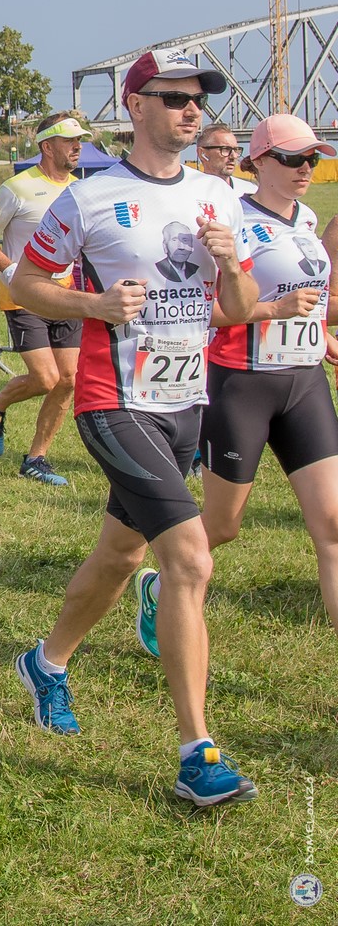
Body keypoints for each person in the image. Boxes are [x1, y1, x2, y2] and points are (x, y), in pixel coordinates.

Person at [8, 47, 259, 807]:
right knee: (188, 558)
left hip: (184, 404)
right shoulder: (88, 198)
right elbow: (25, 282)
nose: (191, 110)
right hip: (112, 402)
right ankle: (197, 753)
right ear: (136, 105)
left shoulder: (219, 195)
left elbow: (240, 311)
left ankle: (46, 663)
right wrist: (93, 306)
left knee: (121, 555)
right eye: (174, 97)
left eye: (198, 99)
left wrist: (230, 265)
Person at [147, 115, 338, 650]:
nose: (306, 169)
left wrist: (321, 335)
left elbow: (313, 301)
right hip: (242, 384)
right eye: (293, 159)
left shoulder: (307, 218)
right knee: (224, 525)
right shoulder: (231, 220)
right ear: (259, 162)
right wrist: (273, 310)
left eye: (312, 159)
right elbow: (201, 308)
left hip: (305, 382)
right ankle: (161, 583)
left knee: (333, 523)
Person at [0, 113, 95, 486]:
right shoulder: (17, 188)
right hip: (24, 295)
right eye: (69, 140)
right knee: (45, 378)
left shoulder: (81, 190)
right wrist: (12, 271)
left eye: (80, 140)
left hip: (65, 295)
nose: (77, 147)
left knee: (69, 379)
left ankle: (36, 459)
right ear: (47, 146)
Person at [195, 123, 256, 196]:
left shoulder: (251, 192)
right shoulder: (191, 192)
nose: (234, 156)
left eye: (236, 149)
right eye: (225, 149)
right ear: (202, 153)